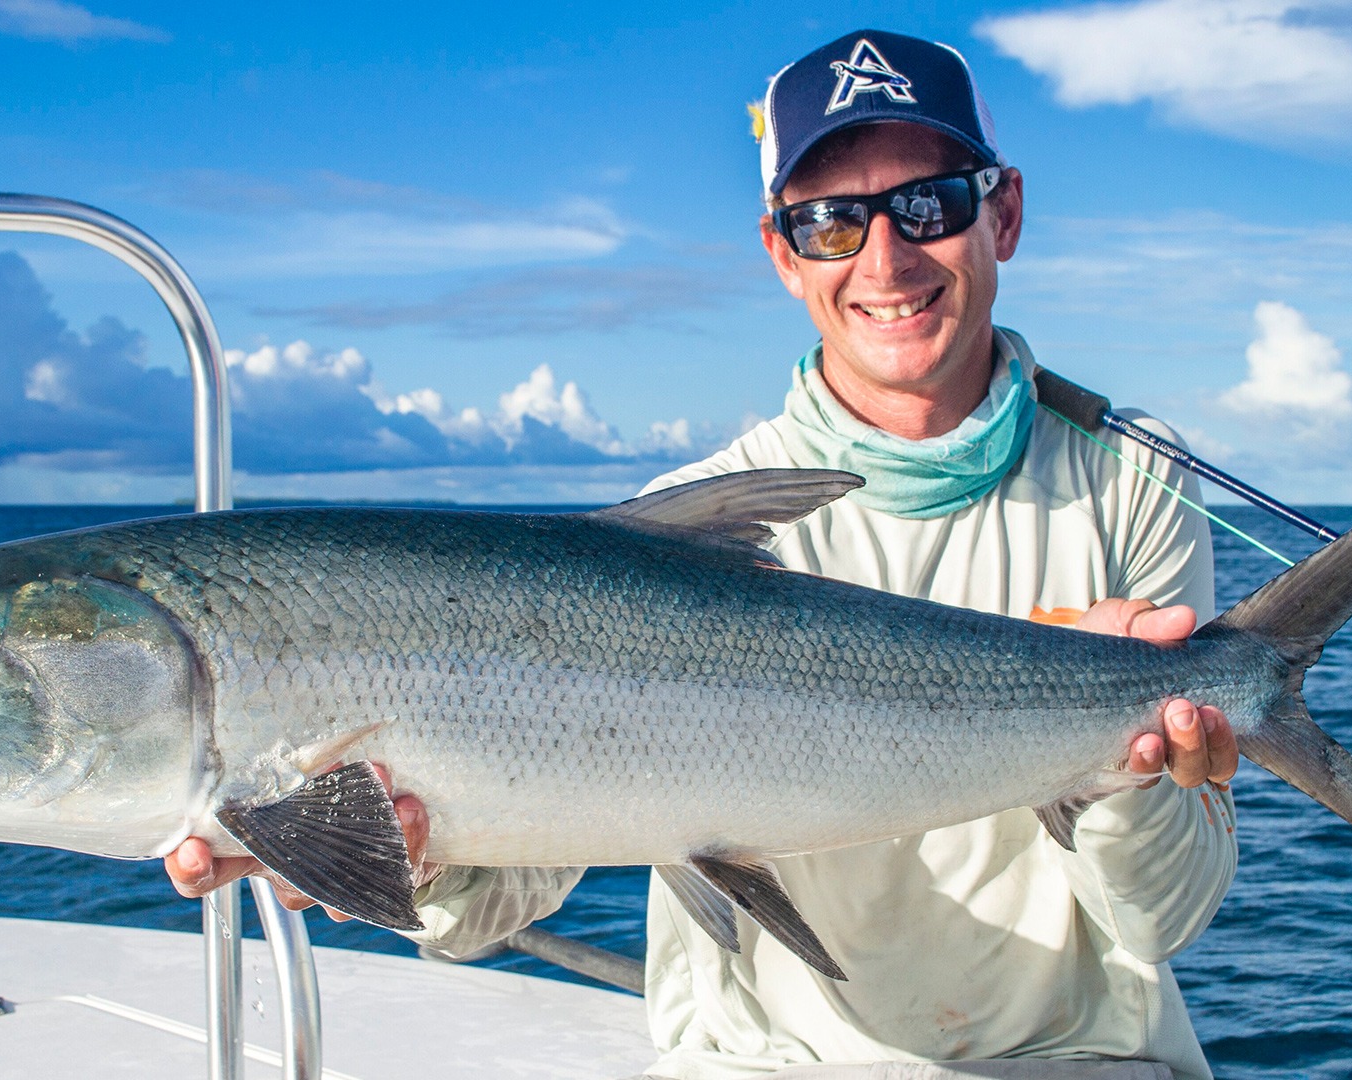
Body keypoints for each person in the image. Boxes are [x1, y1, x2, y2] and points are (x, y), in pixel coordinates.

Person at [167, 29, 1240, 1080]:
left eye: (929, 203)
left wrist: (1124, 763)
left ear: (1001, 214)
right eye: (829, 223)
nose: (885, 257)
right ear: (781, 253)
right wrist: (401, 859)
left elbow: (1163, 918)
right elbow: (495, 906)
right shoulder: (683, 531)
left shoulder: (1128, 480)